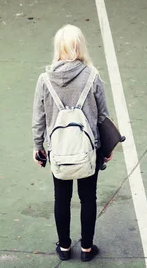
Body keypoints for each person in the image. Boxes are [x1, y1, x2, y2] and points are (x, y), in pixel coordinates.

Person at [32, 24, 112, 262]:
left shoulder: (45, 79)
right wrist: (106, 148)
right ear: (80, 47)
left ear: (59, 48)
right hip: (88, 149)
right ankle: (87, 248)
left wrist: (38, 147)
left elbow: (39, 118)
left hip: (58, 149)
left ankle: (65, 247)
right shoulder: (92, 76)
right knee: (88, 197)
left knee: (61, 197)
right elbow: (102, 116)